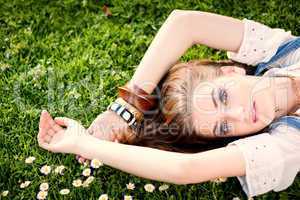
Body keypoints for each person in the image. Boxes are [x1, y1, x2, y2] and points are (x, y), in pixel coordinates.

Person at [37, 10, 300, 198]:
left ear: (231, 72)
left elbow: (185, 24)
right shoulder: (286, 143)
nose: (239, 114)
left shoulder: (278, 51)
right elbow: (186, 168)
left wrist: (125, 107)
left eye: (222, 97)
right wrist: (83, 143)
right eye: (223, 128)